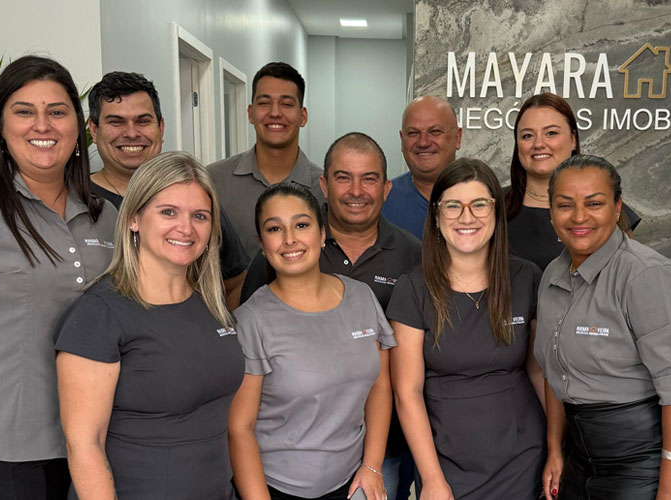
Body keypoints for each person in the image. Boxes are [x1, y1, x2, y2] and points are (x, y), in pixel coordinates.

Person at [0, 55, 117, 500]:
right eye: (24, 111)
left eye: (57, 111)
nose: (43, 125)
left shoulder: (105, 215)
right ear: (1, 125)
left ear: (79, 127)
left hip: (93, 444)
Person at [237, 132, 421, 499]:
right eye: (343, 177)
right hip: (279, 479)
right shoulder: (254, 311)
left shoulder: (398, 267)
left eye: (369, 178)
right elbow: (240, 423)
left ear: (320, 235)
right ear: (324, 185)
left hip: (368, 462)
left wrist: (372, 464)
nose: (290, 239)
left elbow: (382, 381)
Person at [55, 151, 242, 499]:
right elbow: (84, 445)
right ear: (134, 219)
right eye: (168, 212)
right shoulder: (99, 314)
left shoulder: (212, 305)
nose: (186, 228)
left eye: (199, 216)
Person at [535, 154, 671, 500]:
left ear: (617, 209)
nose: (579, 217)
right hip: (579, 459)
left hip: (643, 462)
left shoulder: (646, 275)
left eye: (594, 203)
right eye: (565, 205)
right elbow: (554, 372)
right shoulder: (551, 275)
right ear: (551, 213)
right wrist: (555, 450)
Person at [387, 158, 546, 500]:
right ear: (436, 215)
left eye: (479, 204)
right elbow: (407, 393)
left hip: (525, 459)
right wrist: (432, 479)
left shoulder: (526, 278)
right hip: (447, 464)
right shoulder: (413, 289)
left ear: (496, 212)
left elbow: (538, 372)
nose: (467, 217)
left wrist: (560, 449)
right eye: (453, 206)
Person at [87, 71, 250, 308]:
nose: (131, 133)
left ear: (161, 128)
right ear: (94, 130)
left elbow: (235, 280)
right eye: (116, 122)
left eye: (143, 121)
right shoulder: (75, 201)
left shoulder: (193, 197)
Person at [505, 92, 641, 270]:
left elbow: (627, 271)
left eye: (551, 133)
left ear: (573, 140)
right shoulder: (492, 206)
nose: (538, 144)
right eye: (527, 136)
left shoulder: (604, 204)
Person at [209, 61, 324, 262]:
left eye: (287, 104)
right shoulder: (214, 181)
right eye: (264, 103)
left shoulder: (324, 189)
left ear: (302, 116)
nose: (275, 113)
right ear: (250, 113)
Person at [382, 96, 462, 239]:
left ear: (458, 137)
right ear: (402, 140)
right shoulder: (381, 201)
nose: (423, 142)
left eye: (435, 131)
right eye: (413, 133)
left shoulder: (484, 199)